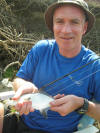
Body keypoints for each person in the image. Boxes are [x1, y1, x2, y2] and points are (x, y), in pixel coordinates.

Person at [0, 0, 100, 133]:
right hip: (22, 119)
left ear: (84, 27)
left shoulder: (95, 65)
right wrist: (22, 86)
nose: (66, 30)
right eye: (59, 21)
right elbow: (19, 79)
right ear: (53, 25)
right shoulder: (40, 49)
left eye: (74, 22)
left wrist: (82, 104)